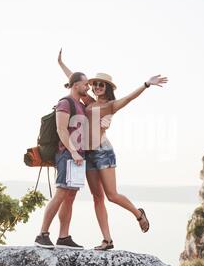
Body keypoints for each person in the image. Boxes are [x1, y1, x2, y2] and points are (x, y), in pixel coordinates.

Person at [58, 49, 168, 250]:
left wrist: (146, 84)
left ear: (107, 88)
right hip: (88, 154)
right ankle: (107, 240)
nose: (97, 86)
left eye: (102, 85)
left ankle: (138, 214)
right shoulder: (89, 102)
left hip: (103, 152)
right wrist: (61, 64)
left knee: (112, 195)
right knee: (97, 197)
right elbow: (74, 81)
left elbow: (129, 98)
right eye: (95, 84)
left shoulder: (110, 105)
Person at [34, 71, 90, 250]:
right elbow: (61, 129)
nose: (88, 87)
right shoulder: (65, 103)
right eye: (85, 84)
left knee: (70, 196)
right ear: (75, 85)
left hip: (78, 156)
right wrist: (73, 151)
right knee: (61, 193)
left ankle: (63, 237)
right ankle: (42, 234)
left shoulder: (80, 104)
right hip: (67, 154)